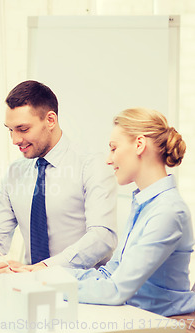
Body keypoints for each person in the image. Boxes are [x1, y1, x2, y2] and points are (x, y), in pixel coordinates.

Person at [0, 80, 117, 275]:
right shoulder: (15, 172)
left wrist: (43, 269)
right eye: (10, 130)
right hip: (30, 285)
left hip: (84, 290)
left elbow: (102, 237)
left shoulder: (92, 165)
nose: (15, 140)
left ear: (50, 120)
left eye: (23, 129)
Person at [61, 108, 193, 316]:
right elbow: (110, 273)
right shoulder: (144, 203)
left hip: (169, 324)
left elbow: (116, 291)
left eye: (113, 148)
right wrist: (48, 275)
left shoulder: (168, 211)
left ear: (139, 145)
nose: (108, 159)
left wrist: (52, 286)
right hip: (142, 318)